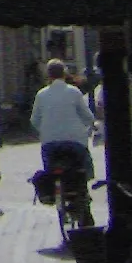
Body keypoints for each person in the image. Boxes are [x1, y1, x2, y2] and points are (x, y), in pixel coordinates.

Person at [31, 57, 99, 204]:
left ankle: (54, 191)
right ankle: (83, 194)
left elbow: (34, 120)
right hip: (74, 142)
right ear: (64, 74)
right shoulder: (74, 92)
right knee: (83, 168)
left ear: (48, 75)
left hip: (50, 144)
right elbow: (87, 116)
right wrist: (91, 125)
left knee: (51, 169)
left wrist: (45, 131)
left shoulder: (41, 94)